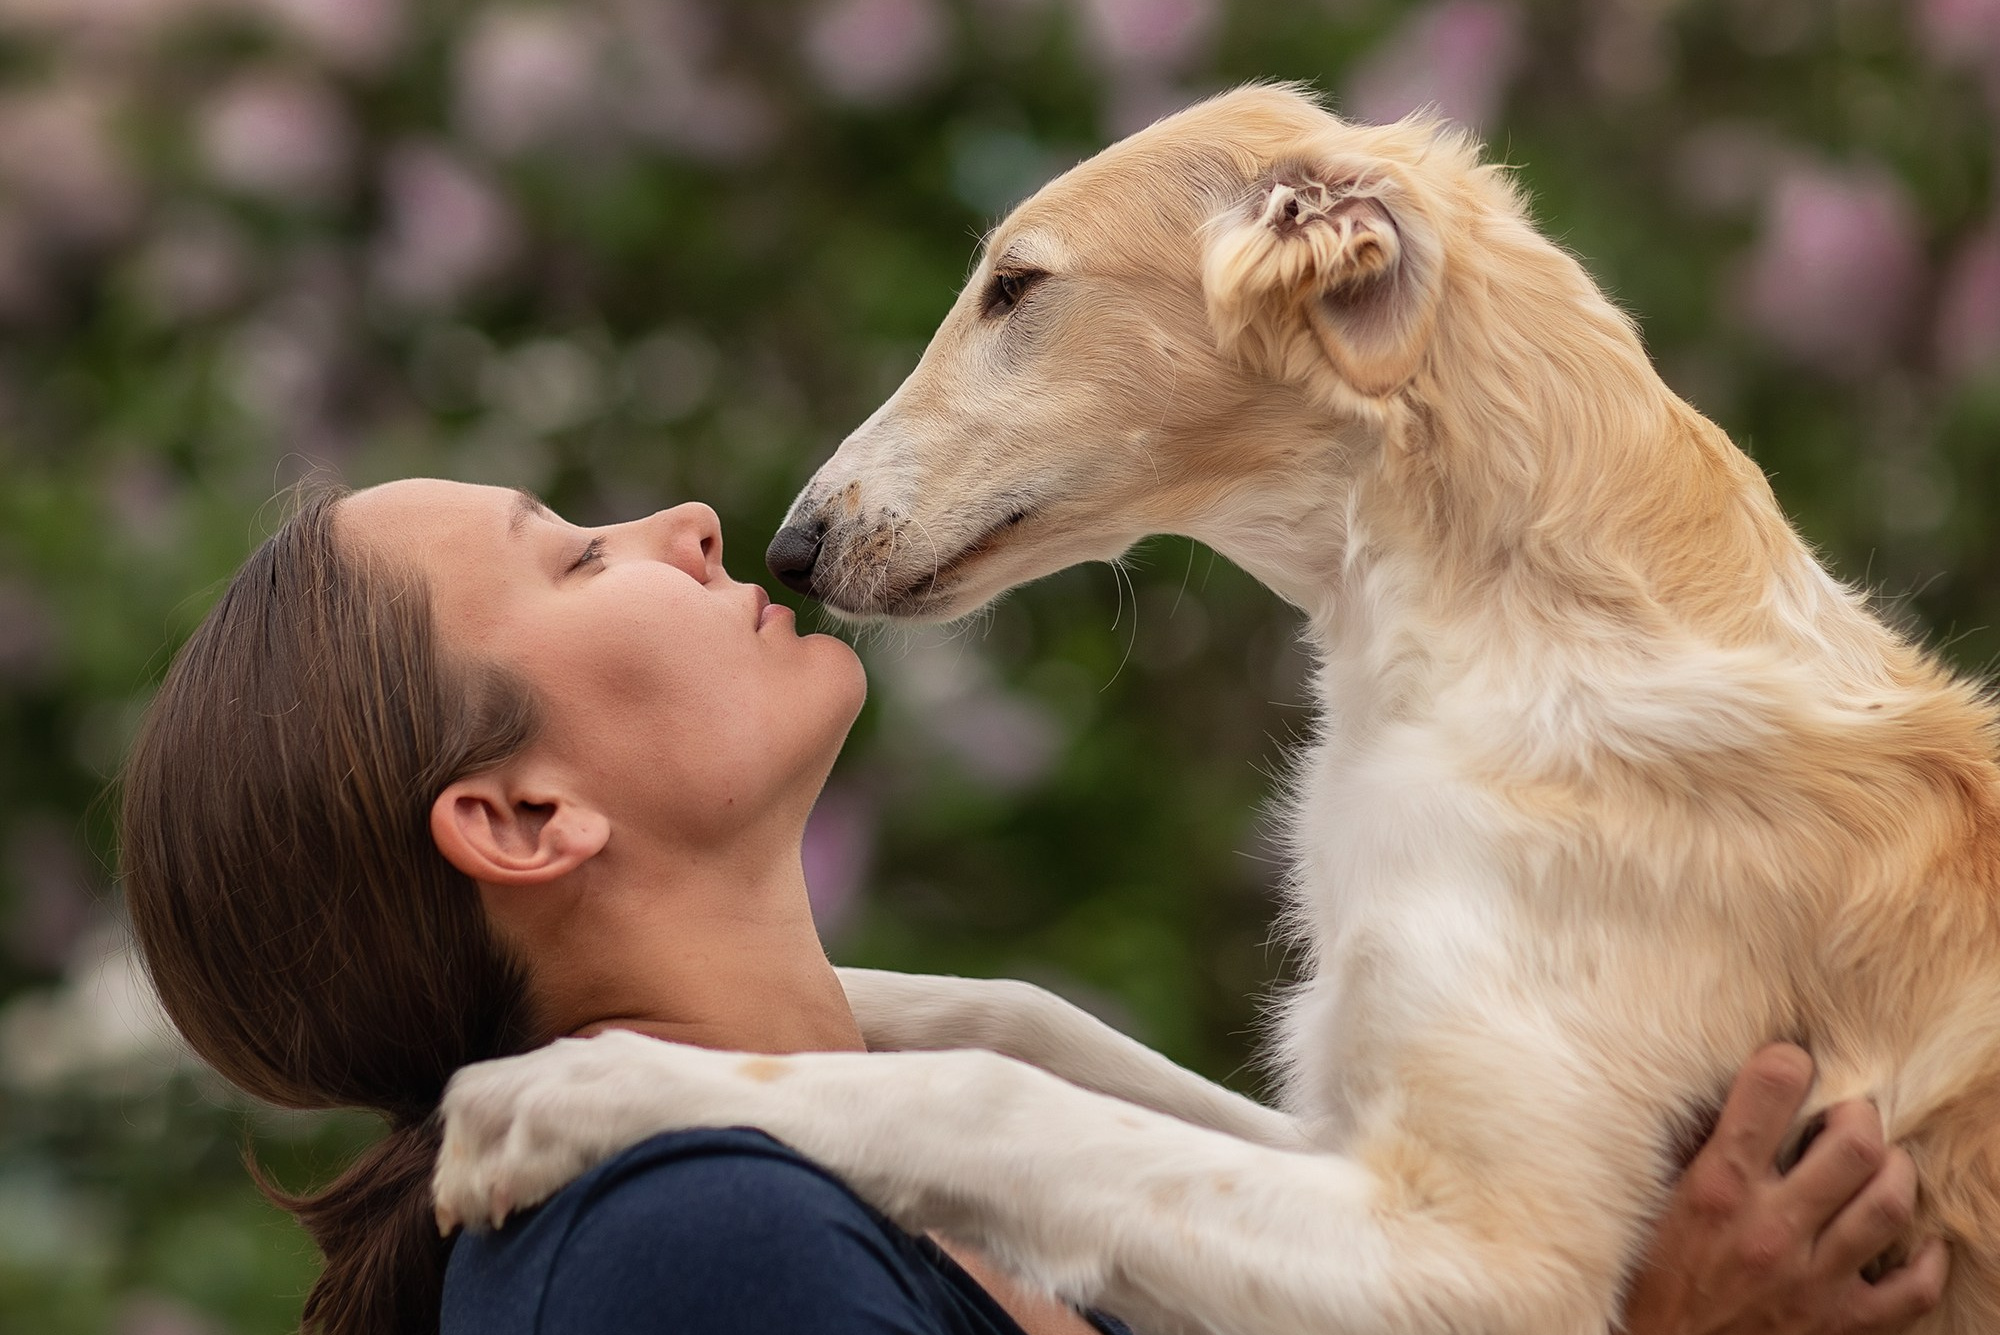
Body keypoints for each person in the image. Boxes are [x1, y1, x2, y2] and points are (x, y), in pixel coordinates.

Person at [119, 479, 1949, 1335]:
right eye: (577, 556)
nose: (684, 521)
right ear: (522, 818)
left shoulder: (934, 1181)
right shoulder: (680, 1253)